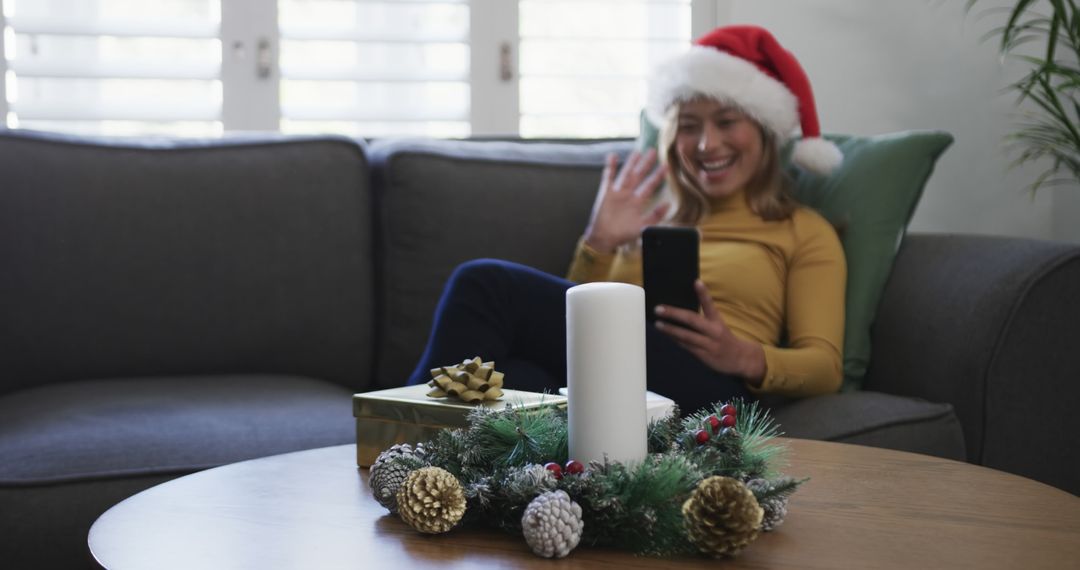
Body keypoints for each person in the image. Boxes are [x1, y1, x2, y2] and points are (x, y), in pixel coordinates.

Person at [407, 25, 847, 413]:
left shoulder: (802, 230)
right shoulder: (647, 218)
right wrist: (597, 243)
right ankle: (431, 479)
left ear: (766, 133)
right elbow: (577, 329)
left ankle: (395, 441)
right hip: (621, 381)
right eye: (689, 126)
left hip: (710, 389)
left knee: (485, 284)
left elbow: (826, 366)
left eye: (727, 122)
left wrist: (744, 356)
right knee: (512, 377)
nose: (706, 144)